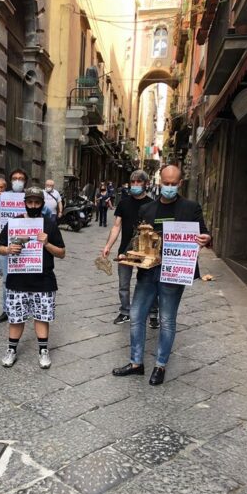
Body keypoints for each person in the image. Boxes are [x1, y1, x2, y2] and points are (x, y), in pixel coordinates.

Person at [112, 165, 211, 386]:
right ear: (160, 182)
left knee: (167, 319)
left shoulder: (191, 208)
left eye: (173, 184)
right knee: (136, 315)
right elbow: (138, 238)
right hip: (148, 272)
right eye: (166, 183)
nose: (169, 187)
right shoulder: (147, 209)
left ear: (180, 183)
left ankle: (160, 365)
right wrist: (127, 253)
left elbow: (203, 233)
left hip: (174, 272)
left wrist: (206, 239)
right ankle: (136, 363)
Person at [0, 186, 65, 369]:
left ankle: (43, 350)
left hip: (43, 280)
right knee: (15, 318)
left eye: (37, 202)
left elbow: (62, 253)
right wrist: (8, 249)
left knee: (42, 317)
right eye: (30, 202)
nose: (33, 205)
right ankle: (11, 350)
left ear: (42, 204)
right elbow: (0, 247)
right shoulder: (14, 222)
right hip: (17, 279)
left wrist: (47, 243)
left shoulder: (49, 224)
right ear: (25, 203)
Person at [0, 168, 51, 324]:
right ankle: (7, 309)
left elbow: (47, 213)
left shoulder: (32, 197)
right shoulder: (3, 197)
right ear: (10, 180)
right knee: (7, 279)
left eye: (21, 178)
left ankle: (29, 306)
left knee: (31, 275)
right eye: (15, 178)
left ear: (25, 181)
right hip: (8, 243)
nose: (18, 181)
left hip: (31, 243)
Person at [102, 170, 159, 327]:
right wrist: (108, 246)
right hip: (125, 250)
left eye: (138, 182)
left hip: (146, 251)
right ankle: (125, 311)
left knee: (149, 283)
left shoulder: (152, 204)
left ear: (146, 184)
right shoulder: (123, 203)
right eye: (133, 182)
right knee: (123, 284)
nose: (135, 185)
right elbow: (116, 226)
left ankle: (153, 313)